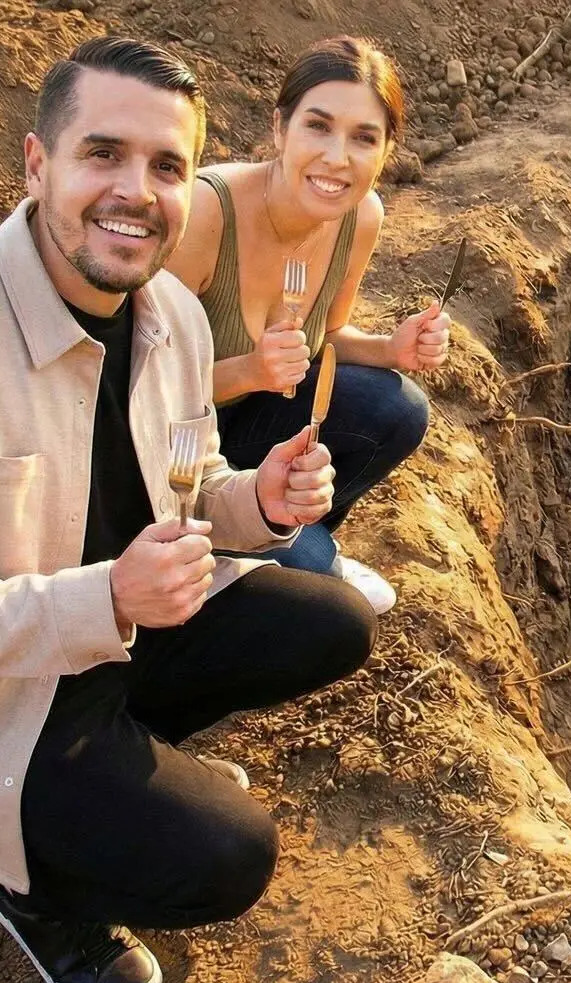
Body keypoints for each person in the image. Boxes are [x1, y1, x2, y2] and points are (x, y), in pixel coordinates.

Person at [0, 37, 377, 983]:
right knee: (229, 856)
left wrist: (258, 500)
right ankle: (32, 889)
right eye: (103, 154)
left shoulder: (168, 313)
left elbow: (190, 481)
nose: (136, 191)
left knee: (332, 621)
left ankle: (112, 772)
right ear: (37, 164)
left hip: (113, 636)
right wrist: (110, 596)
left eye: (166, 166)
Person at [165, 35, 449, 617]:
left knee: (398, 408)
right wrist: (250, 369)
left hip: (251, 422)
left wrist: (391, 348)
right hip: (175, 443)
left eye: (363, 138)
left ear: (387, 151)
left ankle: (283, 537)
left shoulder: (358, 216)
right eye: (318, 126)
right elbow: (133, 388)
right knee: (316, 573)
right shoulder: (207, 214)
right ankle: (258, 548)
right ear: (280, 128)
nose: (337, 158)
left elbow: (327, 339)